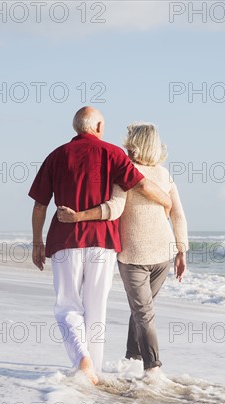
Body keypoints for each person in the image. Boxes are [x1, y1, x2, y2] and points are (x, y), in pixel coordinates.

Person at [29, 107, 173, 385]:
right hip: (103, 243)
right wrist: (166, 200)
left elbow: (39, 205)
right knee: (97, 307)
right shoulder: (113, 154)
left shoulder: (56, 156)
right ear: (97, 125)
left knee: (67, 306)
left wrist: (38, 242)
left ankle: (83, 362)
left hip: (65, 241)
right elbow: (142, 185)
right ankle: (92, 368)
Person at [57, 122, 188, 376]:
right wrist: (181, 251)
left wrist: (78, 217)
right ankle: (140, 362)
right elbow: (179, 216)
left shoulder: (125, 173)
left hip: (137, 255)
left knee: (142, 310)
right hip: (159, 254)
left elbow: (113, 209)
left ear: (136, 144)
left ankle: (148, 366)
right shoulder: (164, 175)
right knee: (143, 310)